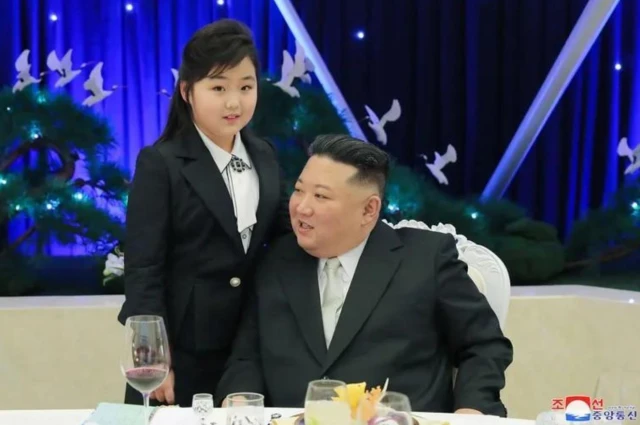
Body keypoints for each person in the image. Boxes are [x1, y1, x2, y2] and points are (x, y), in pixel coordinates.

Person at [216, 134, 513, 415]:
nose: (301, 207)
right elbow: (247, 356)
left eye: (320, 196)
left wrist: (471, 411)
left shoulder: (426, 258)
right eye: (299, 190)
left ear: (369, 210)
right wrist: (239, 401)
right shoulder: (276, 260)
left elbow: (483, 345)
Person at [118, 19, 289, 407]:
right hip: (181, 352)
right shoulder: (160, 163)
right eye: (218, 88)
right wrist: (152, 358)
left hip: (249, 350)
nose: (234, 102)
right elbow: (143, 267)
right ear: (187, 91)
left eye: (246, 87)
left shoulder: (264, 154)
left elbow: (283, 238)